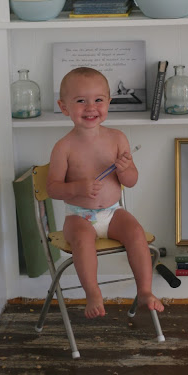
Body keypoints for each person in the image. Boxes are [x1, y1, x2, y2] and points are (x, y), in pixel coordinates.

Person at [47, 67, 164, 319]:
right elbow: (52, 188)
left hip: (113, 213)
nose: (91, 107)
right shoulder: (63, 147)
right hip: (78, 216)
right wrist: (77, 188)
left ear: (109, 102)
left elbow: (131, 182)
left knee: (136, 232)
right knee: (82, 240)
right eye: (81, 101)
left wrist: (125, 170)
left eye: (98, 100)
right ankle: (93, 293)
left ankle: (144, 290)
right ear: (64, 107)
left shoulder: (117, 138)